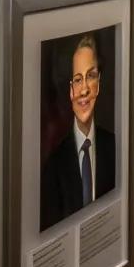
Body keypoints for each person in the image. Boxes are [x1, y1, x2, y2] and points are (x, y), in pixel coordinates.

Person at [39, 35, 116, 232]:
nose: (84, 90)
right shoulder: (54, 166)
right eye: (77, 80)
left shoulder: (114, 148)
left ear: (98, 83)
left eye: (90, 76)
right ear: (70, 90)